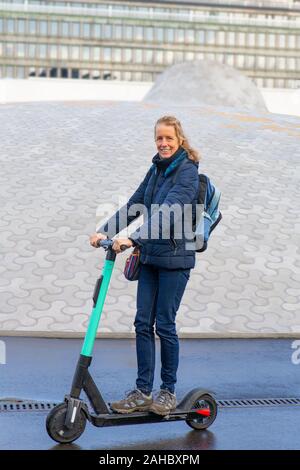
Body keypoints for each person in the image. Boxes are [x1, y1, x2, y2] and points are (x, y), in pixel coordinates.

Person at [90, 116, 200, 416]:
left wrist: (133, 239)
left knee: (164, 325)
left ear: (180, 140)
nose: (163, 144)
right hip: (151, 257)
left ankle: (167, 392)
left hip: (175, 260)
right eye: (159, 139)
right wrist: (105, 231)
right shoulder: (156, 170)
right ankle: (141, 391)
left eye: (169, 139)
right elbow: (134, 204)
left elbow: (168, 212)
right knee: (141, 324)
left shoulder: (187, 173)